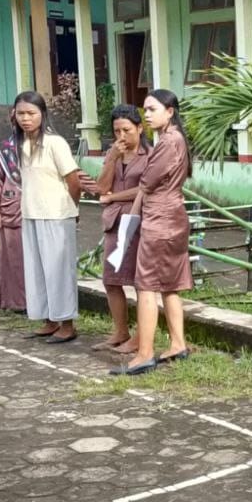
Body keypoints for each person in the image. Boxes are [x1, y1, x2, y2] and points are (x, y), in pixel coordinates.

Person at [110, 89, 190, 375]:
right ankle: (178, 343)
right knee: (169, 285)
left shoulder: (169, 141)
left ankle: (144, 353)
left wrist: (132, 217)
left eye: (152, 109)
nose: (147, 114)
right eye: (145, 109)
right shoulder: (174, 139)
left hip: (160, 219)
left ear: (170, 111)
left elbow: (147, 181)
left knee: (146, 286)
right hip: (172, 217)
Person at [15, 91, 81, 343]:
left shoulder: (55, 143)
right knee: (38, 270)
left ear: (42, 115)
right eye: (21, 113)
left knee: (59, 271)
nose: (26, 119)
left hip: (56, 215)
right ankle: (49, 320)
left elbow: (73, 181)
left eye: (31, 113)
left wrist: (72, 209)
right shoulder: (20, 144)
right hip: (31, 214)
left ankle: (67, 324)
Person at [93, 104, 150, 353]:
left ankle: (141, 336)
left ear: (139, 127)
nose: (122, 136)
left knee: (140, 281)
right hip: (114, 221)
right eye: (117, 131)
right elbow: (101, 187)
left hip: (139, 219)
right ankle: (120, 331)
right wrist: (113, 158)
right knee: (111, 278)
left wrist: (114, 197)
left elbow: (146, 187)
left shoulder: (150, 154)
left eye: (126, 130)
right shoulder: (112, 154)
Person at [0, 114, 25, 313]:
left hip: (40, 209)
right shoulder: (5, 149)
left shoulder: (48, 145)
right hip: (10, 208)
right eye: (19, 117)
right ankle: (15, 301)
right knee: (12, 257)